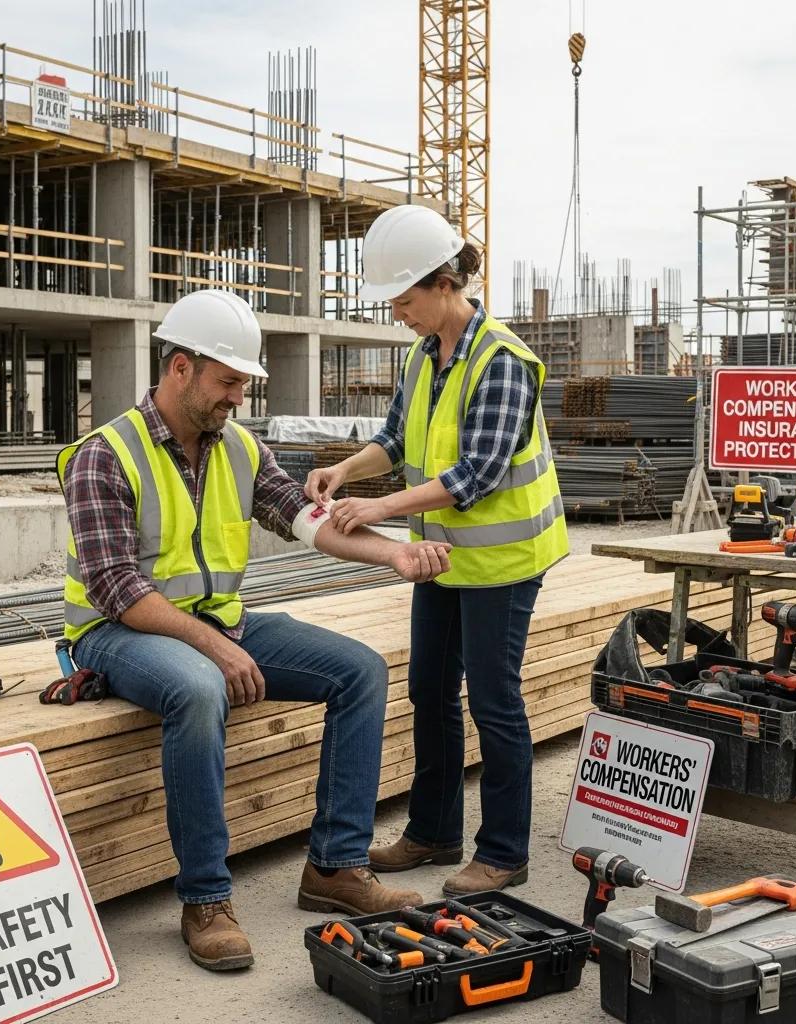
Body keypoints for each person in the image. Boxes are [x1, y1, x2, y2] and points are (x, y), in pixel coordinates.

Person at [58, 289, 453, 972]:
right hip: (115, 632)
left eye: (244, 383)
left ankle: (335, 868)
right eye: (229, 380)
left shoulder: (238, 447)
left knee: (359, 670)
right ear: (180, 368)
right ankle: (206, 899)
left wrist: (392, 552)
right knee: (200, 688)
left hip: (216, 623)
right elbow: (118, 589)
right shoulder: (105, 454)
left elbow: (308, 519)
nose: (238, 396)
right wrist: (213, 645)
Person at [304, 205, 568, 897]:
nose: (401, 316)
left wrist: (382, 508)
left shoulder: (503, 362)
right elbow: (393, 441)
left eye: (405, 301)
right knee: (429, 690)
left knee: (493, 699)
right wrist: (345, 472)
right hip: (444, 560)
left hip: (503, 564)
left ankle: (505, 850)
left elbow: (474, 476)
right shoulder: (425, 358)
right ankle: (434, 831)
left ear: (445, 281)